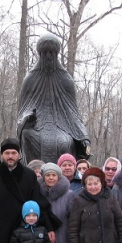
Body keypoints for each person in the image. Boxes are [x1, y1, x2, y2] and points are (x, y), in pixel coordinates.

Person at [17, 33, 91, 162]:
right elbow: (24, 109)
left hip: (61, 126)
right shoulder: (30, 78)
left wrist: (84, 137)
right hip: (37, 126)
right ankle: (32, 173)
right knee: (26, 135)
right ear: (40, 54)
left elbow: (73, 112)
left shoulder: (65, 79)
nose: (48, 56)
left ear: (56, 54)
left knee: (66, 142)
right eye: (45, 53)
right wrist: (28, 118)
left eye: (51, 53)